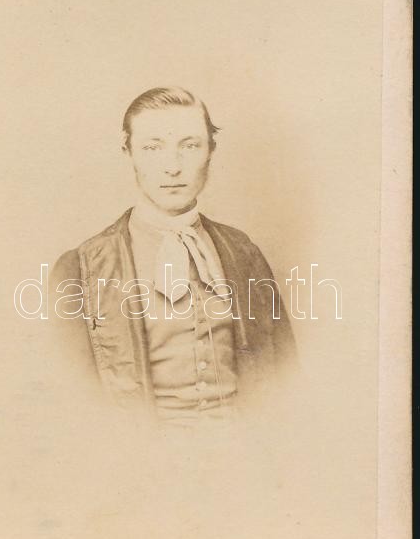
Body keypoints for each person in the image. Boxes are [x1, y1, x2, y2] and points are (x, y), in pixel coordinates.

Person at [51, 87, 296, 427]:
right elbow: (71, 405)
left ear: (211, 150)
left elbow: (288, 382)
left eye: (190, 146)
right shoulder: (80, 270)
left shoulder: (244, 253)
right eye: (152, 148)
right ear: (128, 152)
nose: (172, 167)